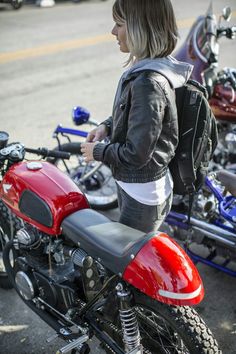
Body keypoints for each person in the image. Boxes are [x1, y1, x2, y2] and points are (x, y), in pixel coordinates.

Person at [81, 0, 193, 233]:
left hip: (142, 195)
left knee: (128, 261)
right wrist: (107, 126)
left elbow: (137, 153)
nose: (113, 31)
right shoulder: (155, 67)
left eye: (119, 24)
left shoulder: (148, 82)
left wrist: (98, 152)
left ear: (139, 28)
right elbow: (136, 115)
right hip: (141, 187)